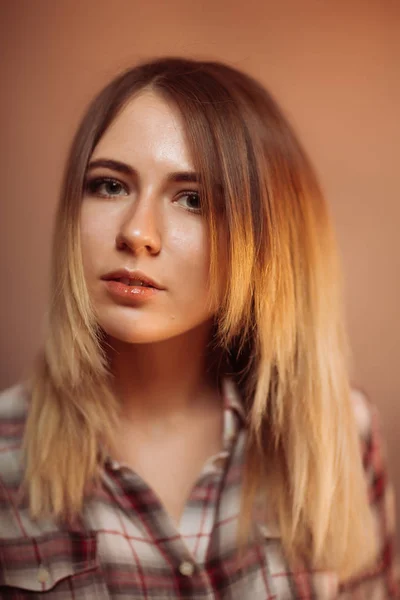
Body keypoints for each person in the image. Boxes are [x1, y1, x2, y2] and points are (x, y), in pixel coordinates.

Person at [0, 57, 398, 599]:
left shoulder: (343, 433)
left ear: (268, 239)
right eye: (110, 185)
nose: (138, 232)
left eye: (194, 199)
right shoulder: (6, 457)